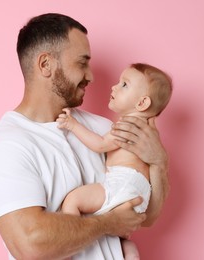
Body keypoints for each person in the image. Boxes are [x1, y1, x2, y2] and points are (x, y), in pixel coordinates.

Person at [0, 13, 170, 260]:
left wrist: (159, 162)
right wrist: (108, 222)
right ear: (46, 65)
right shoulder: (7, 145)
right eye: (82, 63)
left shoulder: (103, 128)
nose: (91, 75)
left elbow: (145, 216)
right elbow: (30, 246)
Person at [57, 63, 172, 259]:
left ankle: (70, 250)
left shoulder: (128, 126)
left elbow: (100, 144)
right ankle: (130, 253)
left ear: (142, 104)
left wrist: (72, 125)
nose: (114, 87)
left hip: (123, 183)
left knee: (73, 200)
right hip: (140, 193)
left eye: (124, 85)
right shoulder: (150, 132)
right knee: (120, 237)